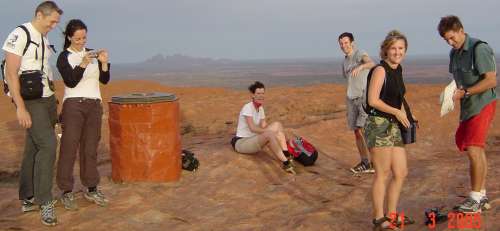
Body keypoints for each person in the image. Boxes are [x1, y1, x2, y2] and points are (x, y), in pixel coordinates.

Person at [2, 1, 62, 226]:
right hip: (30, 100)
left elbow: (45, 70)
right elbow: (10, 72)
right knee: (48, 145)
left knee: (34, 146)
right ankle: (44, 201)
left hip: (46, 99)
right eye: (52, 21)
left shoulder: (44, 38)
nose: (54, 25)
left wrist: (53, 99)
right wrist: (20, 107)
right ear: (39, 15)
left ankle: (26, 197)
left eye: (56, 22)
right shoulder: (21, 34)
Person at [438, 15, 497, 214]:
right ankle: (481, 194)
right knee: (472, 148)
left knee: (474, 147)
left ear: (461, 30)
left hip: (483, 103)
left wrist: (466, 92)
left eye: (452, 38)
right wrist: (449, 95)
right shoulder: (453, 54)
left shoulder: (479, 49)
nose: (450, 42)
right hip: (467, 106)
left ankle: (475, 198)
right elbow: (457, 80)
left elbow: (491, 81)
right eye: (446, 39)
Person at [56, 19, 110, 211]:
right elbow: (70, 81)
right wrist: (82, 64)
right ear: (69, 37)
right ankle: (66, 191)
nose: (81, 41)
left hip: (95, 104)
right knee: (69, 148)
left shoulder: (92, 53)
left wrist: (103, 63)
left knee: (90, 148)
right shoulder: (64, 57)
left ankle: (92, 188)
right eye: (77, 38)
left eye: (84, 37)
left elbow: (104, 80)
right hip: (74, 105)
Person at [365, 30, 415, 230]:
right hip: (378, 125)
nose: (397, 52)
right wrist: (397, 112)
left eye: (401, 48)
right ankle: (379, 219)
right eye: (393, 48)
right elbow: (372, 100)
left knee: (401, 172)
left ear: (405, 50)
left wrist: (407, 116)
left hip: (393, 125)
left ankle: (392, 214)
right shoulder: (380, 70)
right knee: (383, 173)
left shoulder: (398, 69)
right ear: (385, 50)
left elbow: (398, 97)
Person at [231, 81, 295, 174]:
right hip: (242, 142)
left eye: (262, 93)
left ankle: (286, 154)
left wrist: (274, 132)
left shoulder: (260, 108)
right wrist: (270, 132)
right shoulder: (247, 107)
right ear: (253, 95)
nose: (261, 96)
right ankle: (286, 163)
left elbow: (264, 125)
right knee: (269, 133)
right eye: (258, 93)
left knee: (277, 125)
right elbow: (253, 128)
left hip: (253, 139)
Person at [338, 32, 376, 174]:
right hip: (351, 99)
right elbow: (348, 79)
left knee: (364, 130)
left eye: (346, 43)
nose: (344, 46)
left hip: (363, 98)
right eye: (341, 44)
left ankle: (374, 162)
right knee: (356, 132)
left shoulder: (359, 53)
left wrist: (360, 67)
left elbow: (371, 63)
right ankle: (365, 162)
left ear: (352, 43)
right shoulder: (344, 62)